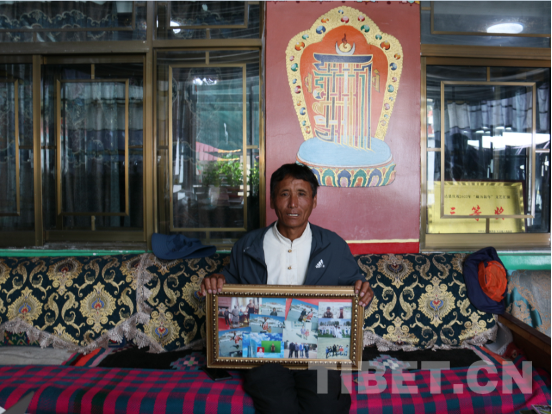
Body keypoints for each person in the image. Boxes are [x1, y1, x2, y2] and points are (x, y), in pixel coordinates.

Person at [201, 163, 373, 414]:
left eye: (301, 194)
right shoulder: (247, 246)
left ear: (314, 200)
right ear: (272, 201)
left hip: (317, 353)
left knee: (326, 405)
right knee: (278, 406)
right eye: (284, 194)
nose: (293, 204)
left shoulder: (333, 245)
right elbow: (227, 286)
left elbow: (355, 288)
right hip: (264, 351)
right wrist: (216, 280)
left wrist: (363, 291)